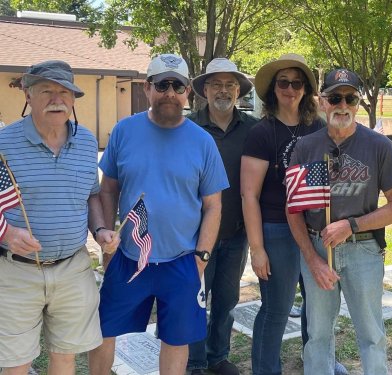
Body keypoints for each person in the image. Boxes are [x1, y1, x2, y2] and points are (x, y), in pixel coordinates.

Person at [88, 54, 229, 375]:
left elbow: (213, 205)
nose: (170, 92)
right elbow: (107, 189)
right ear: (147, 88)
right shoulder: (124, 131)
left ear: (188, 92)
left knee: (176, 339)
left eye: (177, 85)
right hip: (127, 257)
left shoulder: (203, 142)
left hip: (181, 261)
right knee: (103, 329)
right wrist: (106, 240)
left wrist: (201, 257)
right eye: (162, 84)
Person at [286, 68, 392, 375]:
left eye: (350, 98)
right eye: (335, 98)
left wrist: (351, 225)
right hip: (317, 247)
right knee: (318, 335)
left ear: (358, 102)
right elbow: (293, 209)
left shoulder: (379, 146)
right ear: (322, 102)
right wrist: (311, 259)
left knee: (371, 334)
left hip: (363, 250)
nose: (343, 105)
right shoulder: (305, 147)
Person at [0, 60, 118, 374]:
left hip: (73, 269)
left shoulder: (87, 141)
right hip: (15, 272)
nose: (57, 99)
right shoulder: (4, 143)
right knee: (15, 363)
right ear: (28, 94)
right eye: (47, 91)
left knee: (65, 357)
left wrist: (101, 228)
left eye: (65, 92)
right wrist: (6, 234)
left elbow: (91, 194)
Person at [240, 53, 325, 375]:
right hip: (277, 229)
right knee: (276, 308)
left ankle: (316, 360)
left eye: (297, 82)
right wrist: (257, 248)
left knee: (317, 306)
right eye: (283, 82)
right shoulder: (263, 133)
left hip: (315, 227)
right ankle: (265, 369)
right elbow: (250, 194)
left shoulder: (318, 127)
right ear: (273, 89)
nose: (290, 88)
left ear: (306, 89)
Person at [187, 58, 259, 375]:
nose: (224, 90)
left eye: (230, 84)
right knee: (195, 301)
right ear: (205, 89)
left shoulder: (253, 129)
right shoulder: (187, 128)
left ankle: (218, 357)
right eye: (216, 84)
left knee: (226, 300)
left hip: (236, 232)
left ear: (238, 91)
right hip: (197, 233)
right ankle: (195, 361)